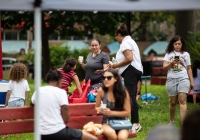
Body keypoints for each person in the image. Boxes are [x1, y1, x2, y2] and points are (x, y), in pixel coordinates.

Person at [31, 70, 98, 140]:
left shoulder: (38, 91)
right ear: (58, 81)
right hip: (58, 132)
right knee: (93, 139)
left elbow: (32, 104)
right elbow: (66, 119)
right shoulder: (61, 92)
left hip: (41, 134)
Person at [111, 23, 143, 132]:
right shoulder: (131, 41)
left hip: (131, 71)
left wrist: (116, 65)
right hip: (135, 70)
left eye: (116, 37)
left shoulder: (125, 43)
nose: (116, 39)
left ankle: (136, 123)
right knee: (129, 96)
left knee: (130, 97)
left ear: (119, 35)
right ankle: (129, 121)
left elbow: (129, 58)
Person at [163, 35, 194, 125]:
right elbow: (164, 67)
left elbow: (189, 68)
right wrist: (171, 63)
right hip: (171, 79)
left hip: (183, 78)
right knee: (173, 102)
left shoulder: (186, 54)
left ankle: (183, 123)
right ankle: (171, 121)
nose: (177, 45)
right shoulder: (168, 54)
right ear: (172, 44)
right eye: (175, 43)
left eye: (179, 44)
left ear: (182, 44)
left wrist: (191, 81)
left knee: (183, 100)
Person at [95, 68, 131, 140]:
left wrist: (111, 112)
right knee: (112, 135)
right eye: (104, 78)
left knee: (122, 138)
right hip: (106, 122)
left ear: (116, 79)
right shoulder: (101, 91)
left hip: (122, 122)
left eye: (109, 78)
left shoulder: (123, 92)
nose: (106, 80)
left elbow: (127, 113)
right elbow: (97, 107)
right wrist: (99, 109)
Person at [4, 63, 30, 138]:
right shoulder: (25, 82)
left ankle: (6, 134)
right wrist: (24, 103)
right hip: (21, 101)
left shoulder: (11, 81)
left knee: (7, 118)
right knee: (18, 118)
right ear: (24, 72)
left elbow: (8, 93)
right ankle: (17, 135)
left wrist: (6, 104)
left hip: (12, 101)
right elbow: (26, 94)